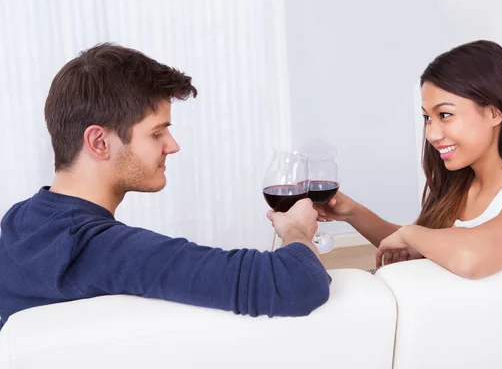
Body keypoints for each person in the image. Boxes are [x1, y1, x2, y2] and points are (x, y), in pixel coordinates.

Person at [0, 43, 330, 330]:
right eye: (157, 133)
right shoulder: (106, 252)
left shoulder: (18, 223)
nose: (172, 145)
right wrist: (296, 229)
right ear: (99, 141)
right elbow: (295, 283)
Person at [318, 40, 502, 279]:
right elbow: (411, 245)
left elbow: (470, 257)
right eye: (427, 118)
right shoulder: (459, 184)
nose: (431, 134)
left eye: (445, 114)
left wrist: (411, 235)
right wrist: (351, 212)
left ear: (494, 112)